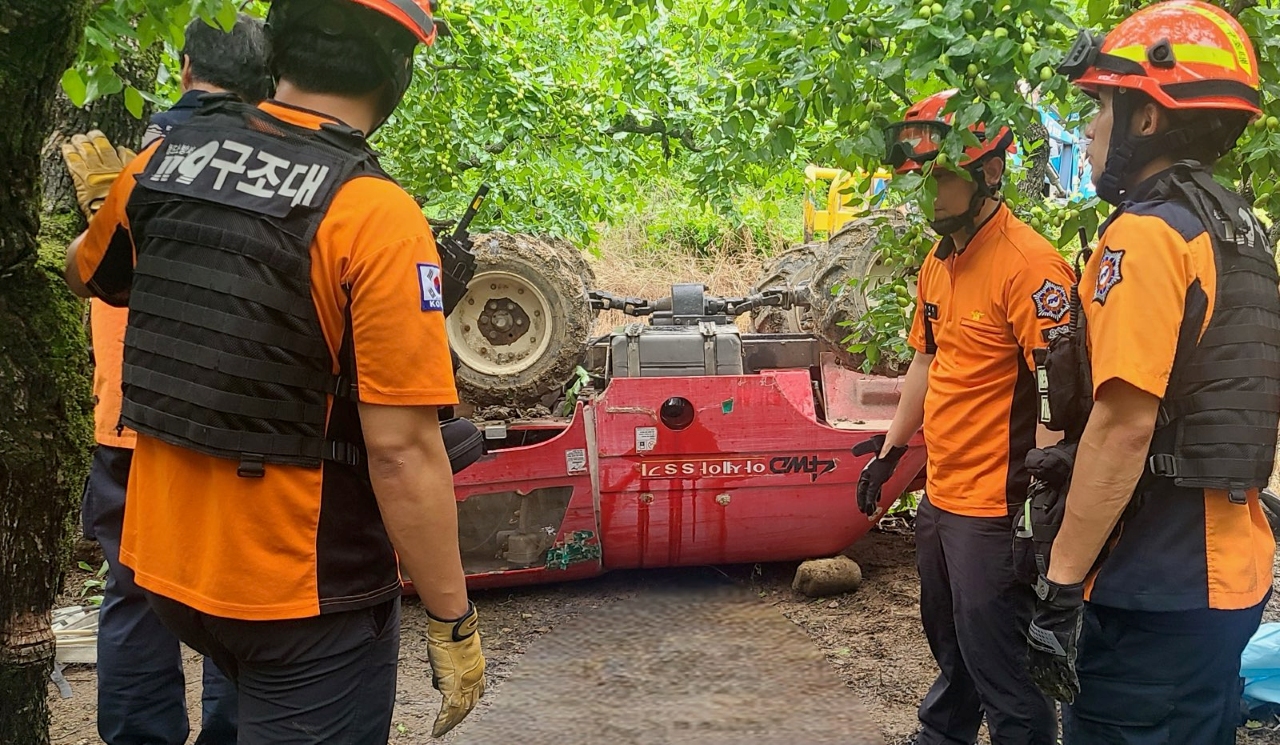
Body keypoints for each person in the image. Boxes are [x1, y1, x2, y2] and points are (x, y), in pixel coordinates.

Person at [62, 0, 486, 742]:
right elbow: (401, 450)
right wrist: (452, 620)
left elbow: (88, 272)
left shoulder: (163, 160)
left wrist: (117, 200)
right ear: (398, 71)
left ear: (277, 51)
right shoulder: (374, 212)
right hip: (300, 594)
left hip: (168, 569)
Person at [1026, 2, 1280, 742]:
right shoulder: (1239, 231)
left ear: (1146, 119)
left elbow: (1124, 423)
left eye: (1102, 107)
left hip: (1154, 582)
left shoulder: (1145, 236)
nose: (1090, 130)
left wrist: (1060, 586)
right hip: (1226, 576)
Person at [59, 14, 269, 745]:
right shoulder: (272, 162)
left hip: (128, 412)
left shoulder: (143, 158)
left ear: (184, 68)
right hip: (224, 416)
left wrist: (102, 211)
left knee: (134, 592)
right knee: (233, 587)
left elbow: (86, 273)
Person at [857, 89, 1074, 745]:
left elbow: (1055, 395)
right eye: (921, 178)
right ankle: (944, 732)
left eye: (945, 176)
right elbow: (926, 362)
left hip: (996, 507)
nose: (931, 193)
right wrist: (891, 453)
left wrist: (1043, 504)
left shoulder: (1031, 266)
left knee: (1006, 671)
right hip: (943, 495)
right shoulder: (940, 259)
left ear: (990, 173)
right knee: (952, 646)